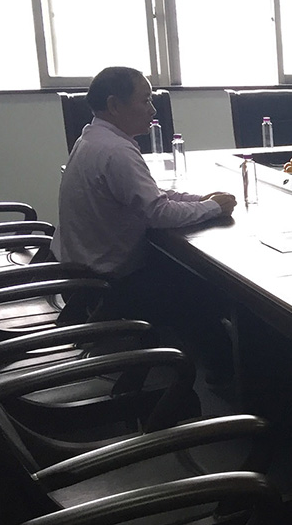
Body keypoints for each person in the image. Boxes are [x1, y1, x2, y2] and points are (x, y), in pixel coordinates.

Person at [54, 66, 236, 374]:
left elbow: (149, 196)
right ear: (114, 105)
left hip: (86, 275)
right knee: (210, 288)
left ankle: (205, 359)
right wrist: (212, 208)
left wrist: (200, 200)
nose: (153, 110)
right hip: (110, 285)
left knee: (185, 272)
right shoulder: (116, 151)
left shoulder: (94, 137)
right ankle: (224, 377)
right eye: (145, 100)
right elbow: (158, 213)